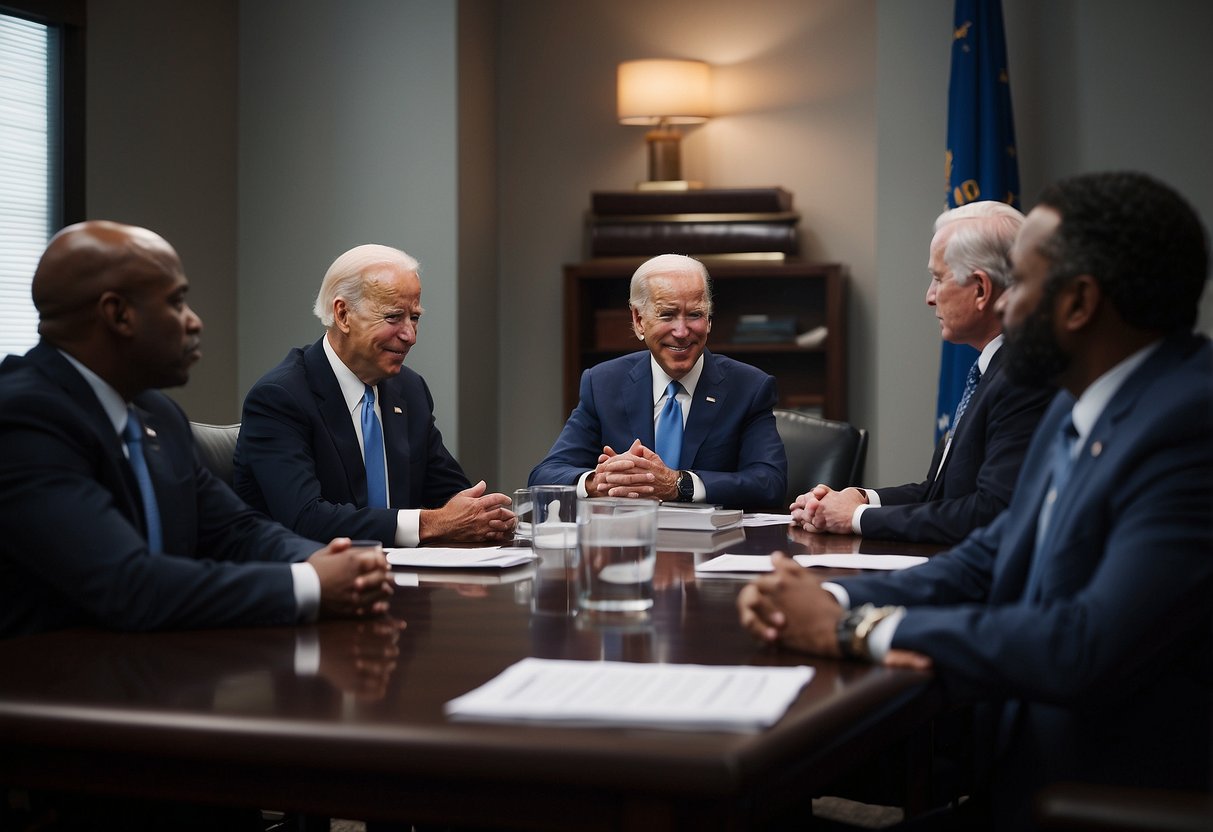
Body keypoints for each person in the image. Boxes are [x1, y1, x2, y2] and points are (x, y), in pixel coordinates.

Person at [737, 171, 1212, 829]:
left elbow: (1083, 642)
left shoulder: (1189, 426)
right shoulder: (1082, 400)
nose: (1005, 304)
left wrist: (854, 631)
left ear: (1076, 303)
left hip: (1094, 800)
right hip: (1017, 765)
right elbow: (994, 551)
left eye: (1020, 280)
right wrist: (835, 599)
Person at [0, 225, 393, 634]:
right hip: (50, 685)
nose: (194, 322)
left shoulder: (156, 413)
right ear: (118, 314)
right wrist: (309, 584)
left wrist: (321, 561)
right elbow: (127, 584)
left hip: (152, 672)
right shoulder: (24, 418)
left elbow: (235, 531)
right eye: (176, 302)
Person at [793, 202, 1053, 544]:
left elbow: (990, 512)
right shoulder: (995, 370)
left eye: (938, 278)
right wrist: (861, 498)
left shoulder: (1024, 378)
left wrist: (856, 518)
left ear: (980, 289)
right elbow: (941, 494)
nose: (929, 297)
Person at [234, 244, 514, 547]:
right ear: (343, 314)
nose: (410, 336)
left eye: (415, 317)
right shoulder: (280, 398)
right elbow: (306, 519)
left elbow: (451, 496)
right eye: (394, 317)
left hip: (406, 583)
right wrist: (429, 523)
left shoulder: (410, 390)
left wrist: (486, 518)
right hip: (312, 586)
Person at [528, 253, 786, 510]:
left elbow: (770, 483)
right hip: (628, 543)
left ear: (709, 320)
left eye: (695, 314)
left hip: (714, 547)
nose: (682, 332)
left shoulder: (749, 387)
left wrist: (679, 484)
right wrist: (600, 483)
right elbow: (544, 476)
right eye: (667, 315)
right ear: (639, 321)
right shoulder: (603, 384)